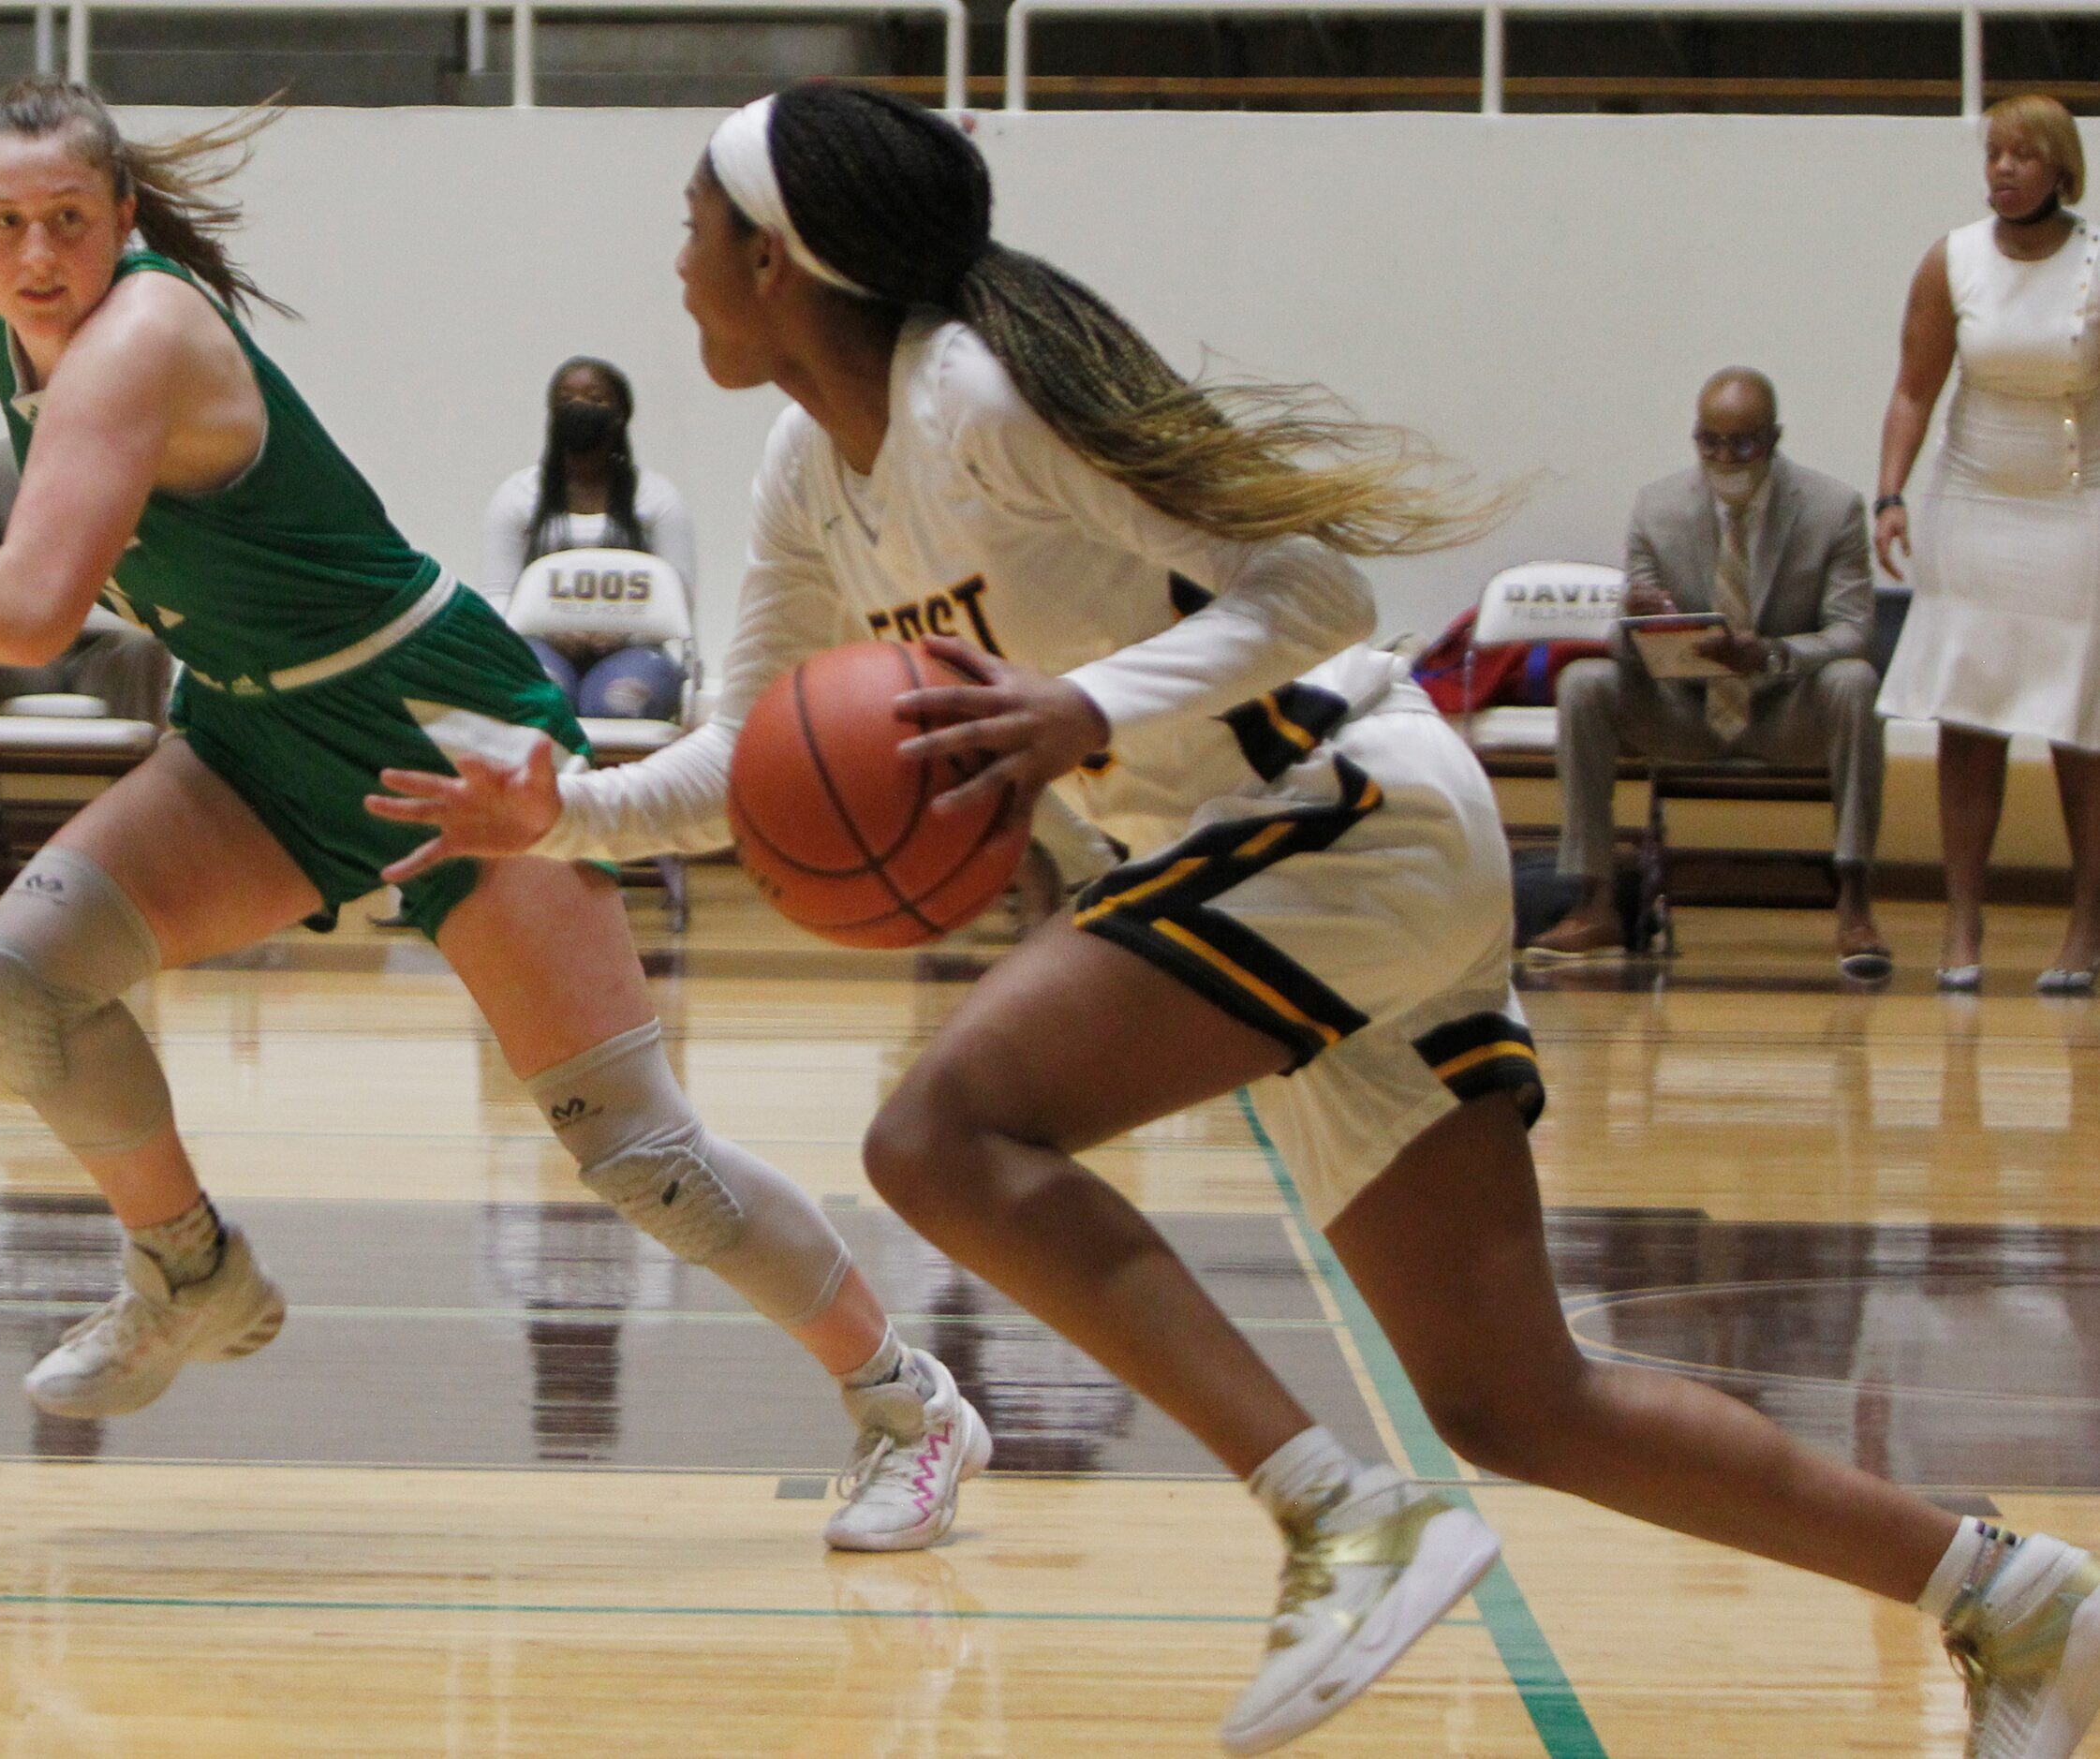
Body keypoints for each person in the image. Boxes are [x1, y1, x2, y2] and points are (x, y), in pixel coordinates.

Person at [368, 81, 2100, 1758]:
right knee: (1511, 1395)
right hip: (1275, 864)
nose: (671, 267)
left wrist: (1084, 710)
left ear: (777, 258)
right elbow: (758, 748)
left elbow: (1320, 590)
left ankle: (1337, 1514)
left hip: (1341, 806)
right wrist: (570, 812)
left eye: (692, 229)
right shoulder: (803, 469)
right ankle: (2006, 1591)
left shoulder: (980, 396)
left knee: (940, 1132)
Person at [0, 76, 984, 1553]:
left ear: (126, 219)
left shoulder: (140, 337)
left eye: (72, 218)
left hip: (432, 720)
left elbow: (29, 606)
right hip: (256, 724)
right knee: (21, 977)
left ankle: (910, 1406)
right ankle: (186, 1268)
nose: (40, 252)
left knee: (636, 1149)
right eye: (5, 224)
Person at [1528, 368, 1889, 977]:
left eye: (1742, 443)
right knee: (1584, 684)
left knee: (1855, 683)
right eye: (1709, 441)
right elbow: (1626, 644)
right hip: (1685, 709)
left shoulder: (1833, 509)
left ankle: (1854, 902)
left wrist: (1773, 653)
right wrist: (1632, 624)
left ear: (1773, 439)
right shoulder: (1658, 506)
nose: (1725, 456)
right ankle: (1594, 902)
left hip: (1784, 710)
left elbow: (1854, 629)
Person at [1876, 95, 2100, 994]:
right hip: (1972, 503)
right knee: (1970, 720)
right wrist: (1890, 495)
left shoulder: (2092, 263)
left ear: (2061, 169)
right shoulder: (1953, 258)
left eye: (2023, 154)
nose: (2004, 168)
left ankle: (2086, 931)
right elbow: (1912, 391)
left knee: (2079, 724)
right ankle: (1962, 924)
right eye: (1994, 152)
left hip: (2076, 506)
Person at [0, 438, 172, 888]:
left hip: (105, 648)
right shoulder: (0, 463)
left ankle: (133, 834)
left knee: (145, 648)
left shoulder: (137, 460)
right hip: (22, 649)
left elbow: (161, 569)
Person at [479, 355, 694, 721]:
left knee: (619, 703)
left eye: (596, 399)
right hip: (541, 647)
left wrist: (621, 635)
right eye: (567, 399)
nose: (580, 407)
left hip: (634, 651)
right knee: (548, 701)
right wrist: (553, 628)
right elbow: (497, 595)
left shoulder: (656, 499)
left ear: (621, 414)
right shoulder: (517, 496)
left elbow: (678, 596)